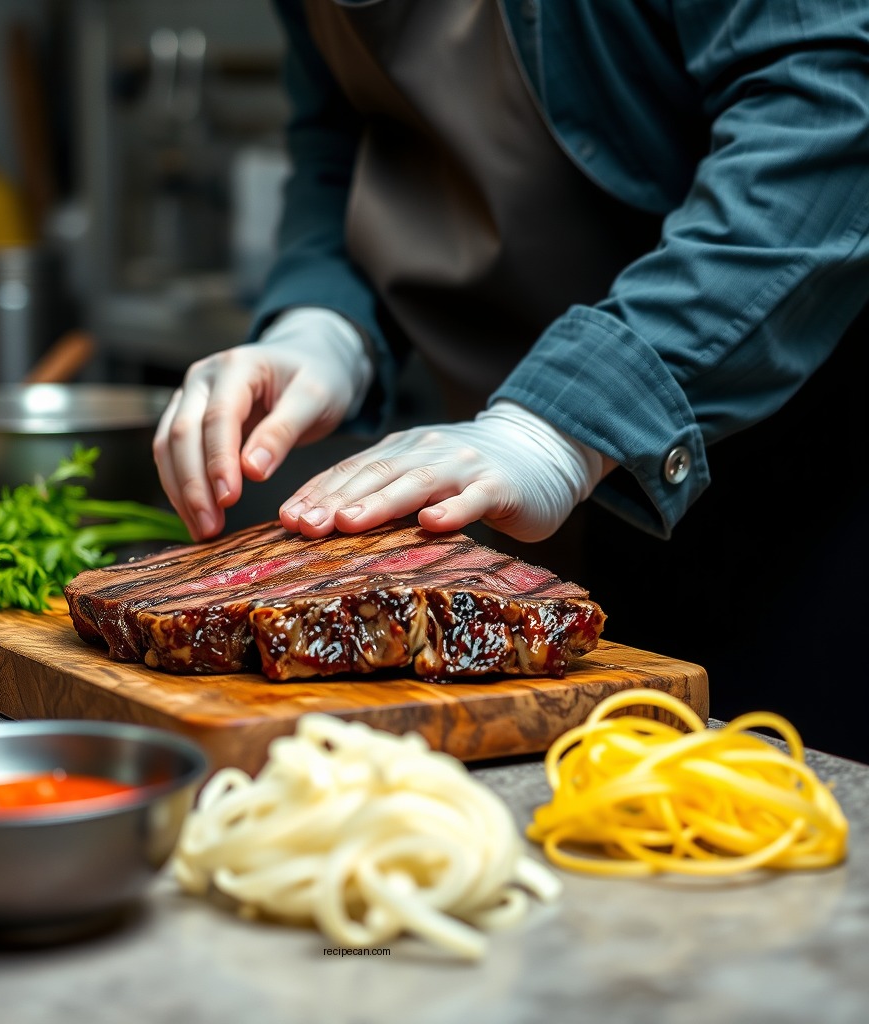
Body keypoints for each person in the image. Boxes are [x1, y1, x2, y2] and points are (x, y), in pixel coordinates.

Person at [154, 1, 869, 759]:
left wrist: (562, 423)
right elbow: (341, 137)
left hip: (800, 477)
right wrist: (324, 320)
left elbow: (828, 115)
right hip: (532, 507)